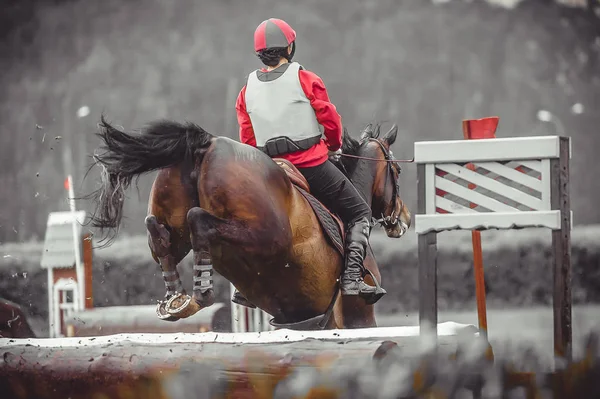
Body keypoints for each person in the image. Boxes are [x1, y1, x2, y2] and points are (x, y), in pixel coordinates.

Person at [233, 18, 385, 307]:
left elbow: (248, 138)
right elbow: (330, 120)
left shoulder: (245, 91)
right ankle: (352, 277)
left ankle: (246, 285)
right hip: (311, 166)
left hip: (269, 172)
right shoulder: (305, 79)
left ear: (260, 55)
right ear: (290, 47)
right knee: (359, 213)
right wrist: (335, 146)